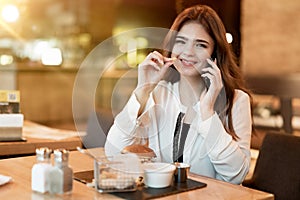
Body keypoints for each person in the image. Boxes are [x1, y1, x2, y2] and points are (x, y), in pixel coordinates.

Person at [104, 4, 252, 184]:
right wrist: (143, 89)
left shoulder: (237, 101)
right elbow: (112, 153)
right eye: (181, 42)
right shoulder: (158, 93)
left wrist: (207, 112)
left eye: (201, 44)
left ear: (215, 53)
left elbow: (237, 175)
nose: (188, 52)